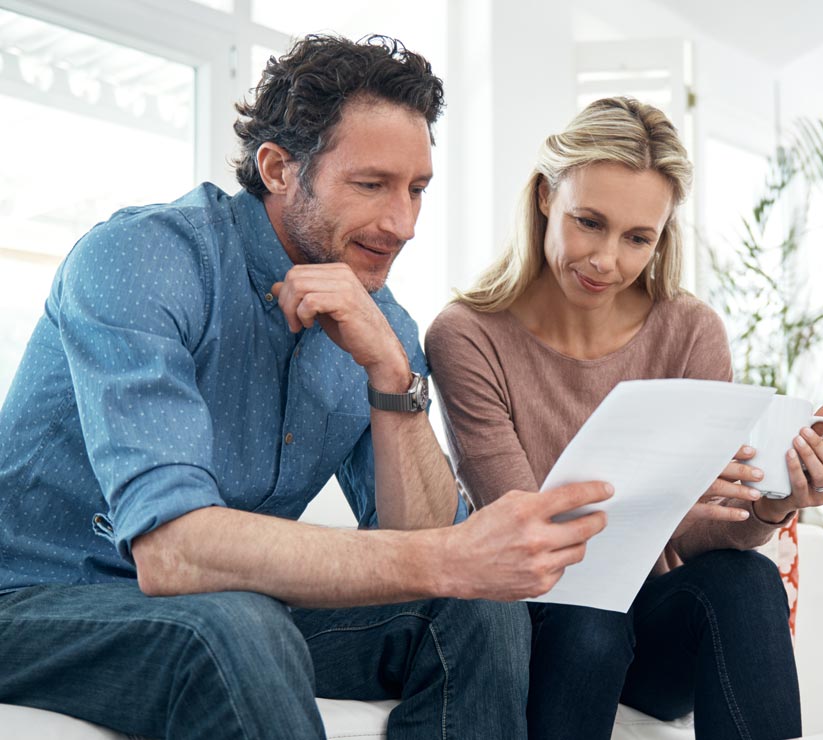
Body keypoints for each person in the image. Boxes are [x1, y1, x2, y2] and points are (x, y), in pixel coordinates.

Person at [0, 34, 611, 740]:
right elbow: (173, 554)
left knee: (477, 606)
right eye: (372, 184)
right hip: (35, 598)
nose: (403, 224)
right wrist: (454, 555)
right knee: (236, 624)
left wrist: (392, 375)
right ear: (280, 168)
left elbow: (421, 544)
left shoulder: (380, 323)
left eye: (416, 190)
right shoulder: (144, 261)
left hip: (220, 604)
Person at [425, 96, 823, 740]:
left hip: (650, 626)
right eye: (589, 222)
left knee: (746, 579)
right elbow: (530, 531)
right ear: (546, 196)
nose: (607, 261)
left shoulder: (688, 330)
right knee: (588, 616)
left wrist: (769, 504)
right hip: (540, 621)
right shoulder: (467, 336)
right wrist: (657, 511)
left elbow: (703, 523)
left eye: (637, 239)